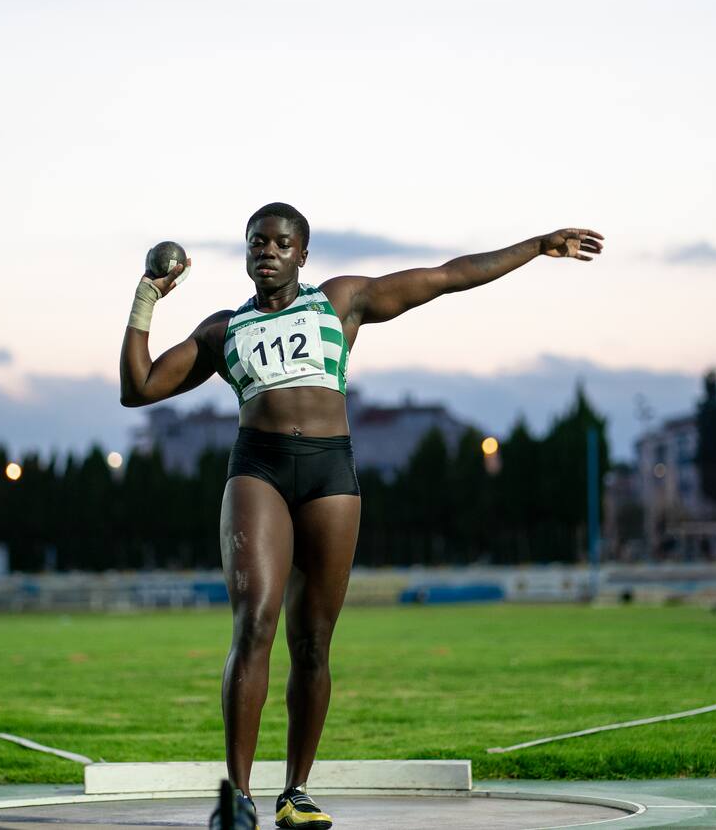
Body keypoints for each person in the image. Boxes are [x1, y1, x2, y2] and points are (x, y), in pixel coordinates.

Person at [118, 203, 604, 829]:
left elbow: (447, 276)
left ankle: (295, 792)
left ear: (303, 255)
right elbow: (140, 388)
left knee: (314, 643)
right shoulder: (222, 330)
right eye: (256, 242)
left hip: (330, 472)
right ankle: (236, 798)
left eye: (281, 243)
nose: (267, 251)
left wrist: (536, 245)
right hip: (258, 470)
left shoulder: (338, 303)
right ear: (245, 253)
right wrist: (146, 297)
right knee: (255, 622)